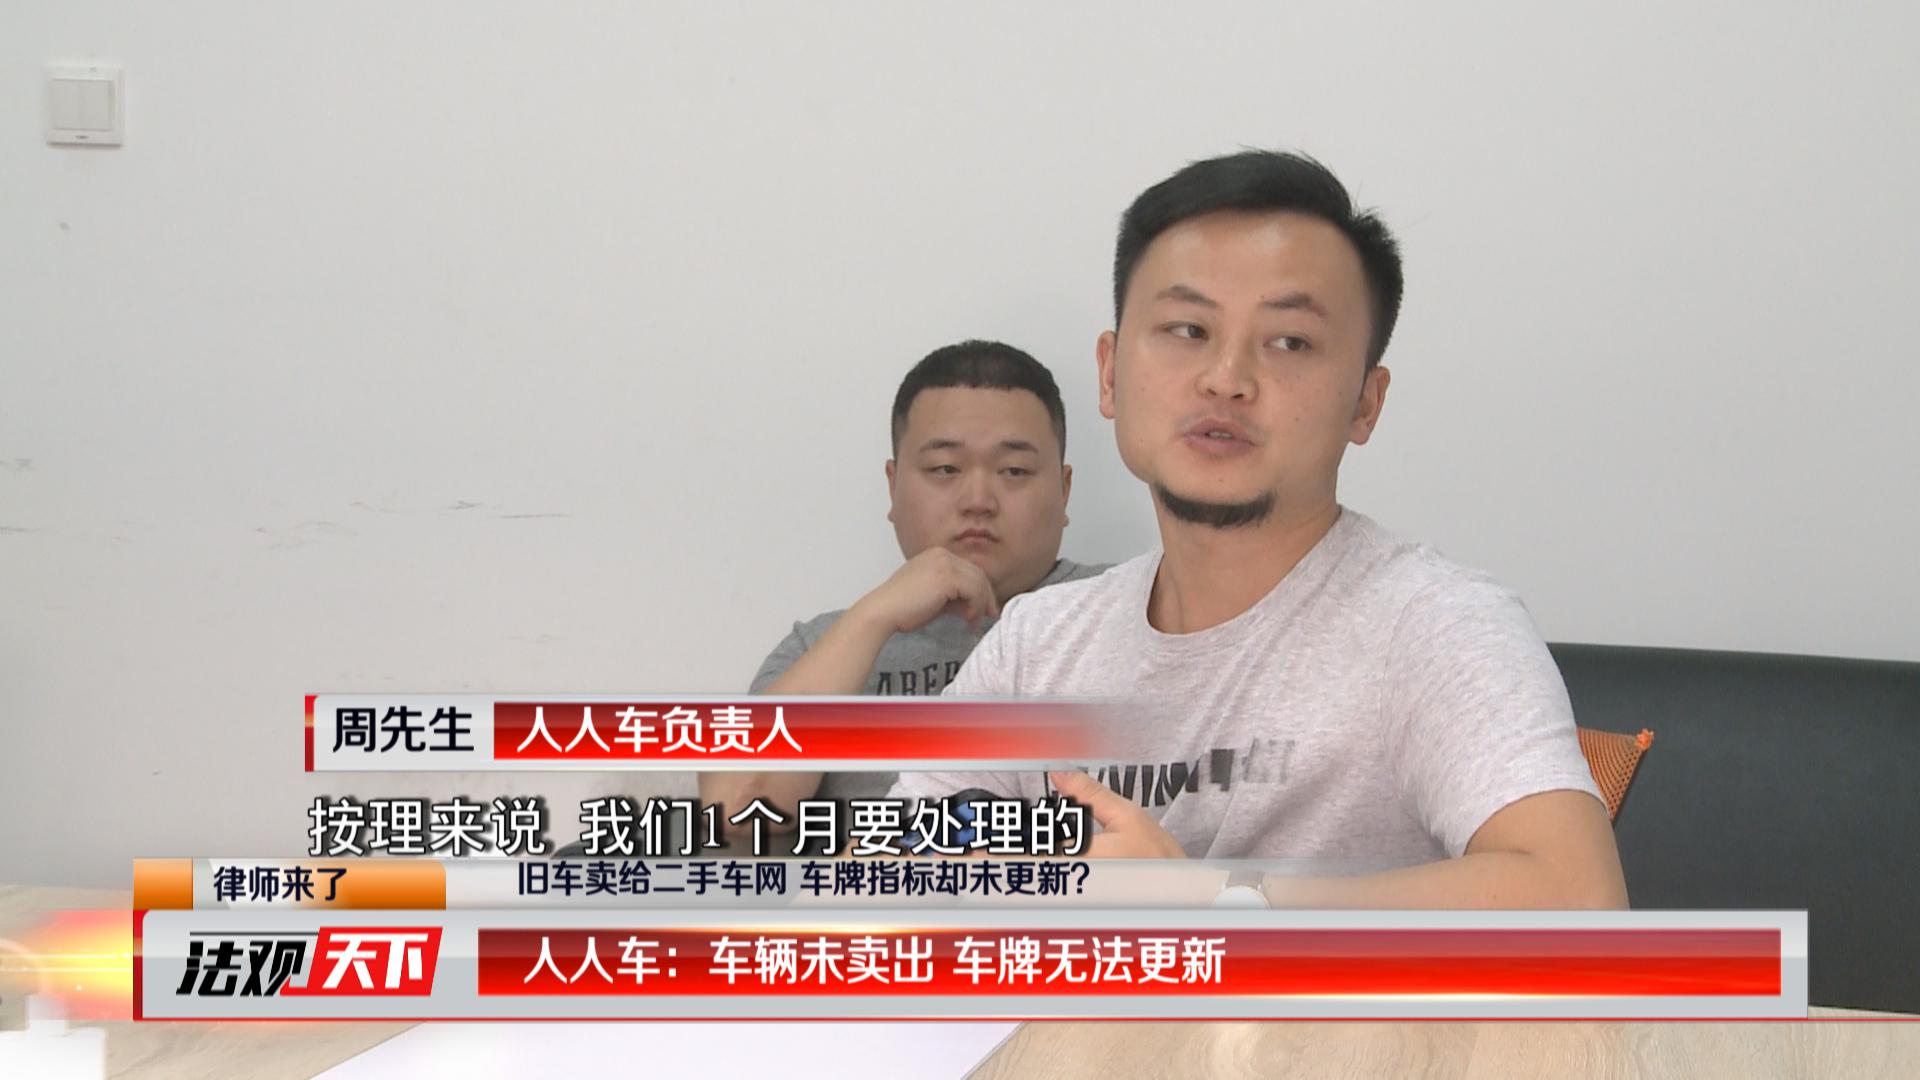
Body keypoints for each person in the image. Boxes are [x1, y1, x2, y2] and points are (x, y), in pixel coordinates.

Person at [890, 152, 1627, 908]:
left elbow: (1579, 898)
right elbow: (873, 880)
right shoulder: (1039, 642)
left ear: (1365, 403)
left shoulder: (1433, 624)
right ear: (1109, 374)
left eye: (1289, 342)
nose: (1226, 378)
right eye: (1187, 329)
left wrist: (1208, 902)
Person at [699, 340, 1105, 830]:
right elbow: (736, 815)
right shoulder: (826, 646)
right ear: (893, 486)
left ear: (1063, 491)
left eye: (1014, 471)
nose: (978, 500)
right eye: (945, 469)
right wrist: (875, 617)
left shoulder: (1131, 605)